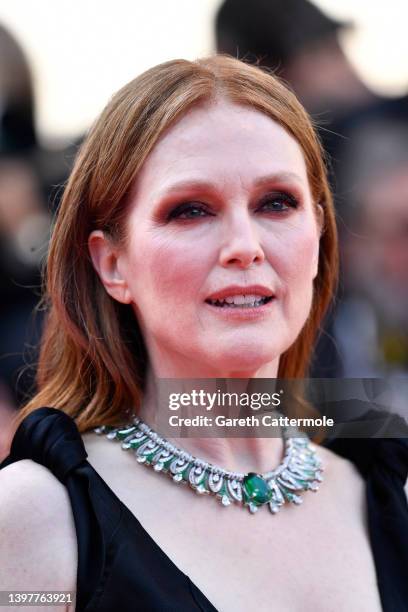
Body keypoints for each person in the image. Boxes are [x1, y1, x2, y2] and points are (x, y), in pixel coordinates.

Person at [0, 55, 406, 612]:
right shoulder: (37, 521)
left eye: (276, 203)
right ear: (112, 263)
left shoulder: (390, 496)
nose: (245, 244)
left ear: (318, 233)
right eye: (190, 210)